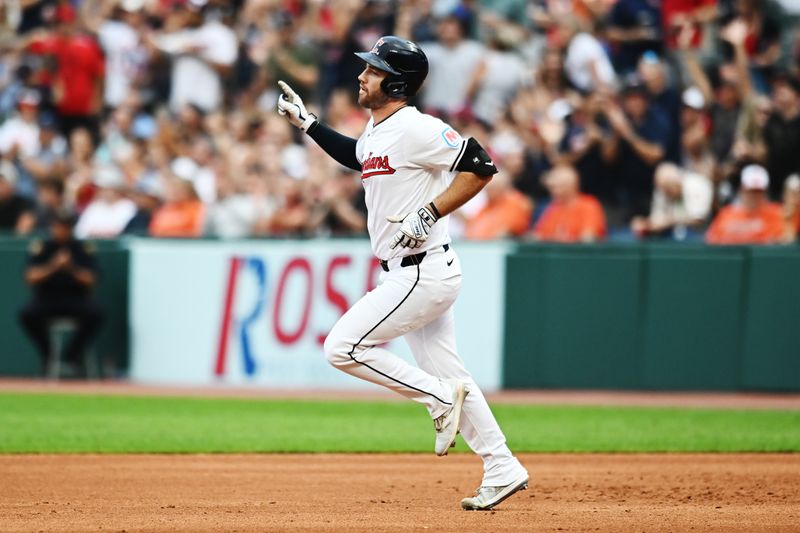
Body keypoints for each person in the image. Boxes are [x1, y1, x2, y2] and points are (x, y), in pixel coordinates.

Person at [277, 36, 529, 511]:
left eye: (372, 70)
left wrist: (430, 212)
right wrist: (308, 123)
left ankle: (437, 399)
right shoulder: (378, 130)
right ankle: (502, 465)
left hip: (420, 271)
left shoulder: (417, 128)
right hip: (416, 272)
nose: (361, 75)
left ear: (395, 82)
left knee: (343, 347)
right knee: (453, 374)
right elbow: (358, 156)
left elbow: (480, 165)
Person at [18, 210, 104, 376]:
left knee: (96, 313)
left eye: (66, 227)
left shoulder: (82, 248)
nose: (61, 230)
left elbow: (92, 279)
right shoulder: (42, 247)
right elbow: (30, 276)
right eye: (58, 226)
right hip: (47, 298)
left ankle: (72, 356)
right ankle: (48, 353)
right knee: (27, 313)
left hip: (76, 299)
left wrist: (71, 267)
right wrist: (54, 266)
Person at [706, 164, 785, 244]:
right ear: (741, 189)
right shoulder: (726, 214)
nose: (754, 195)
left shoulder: (776, 213)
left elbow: (783, 241)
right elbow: (712, 240)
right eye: (750, 191)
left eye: (758, 191)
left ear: (765, 192)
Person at [533, 164, 607, 242]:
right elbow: (538, 235)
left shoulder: (589, 205)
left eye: (555, 187)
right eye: (551, 187)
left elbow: (588, 238)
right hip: (554, 252)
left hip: (578, 253)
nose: (551, 191)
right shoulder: (553, 207)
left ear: (571, 186)